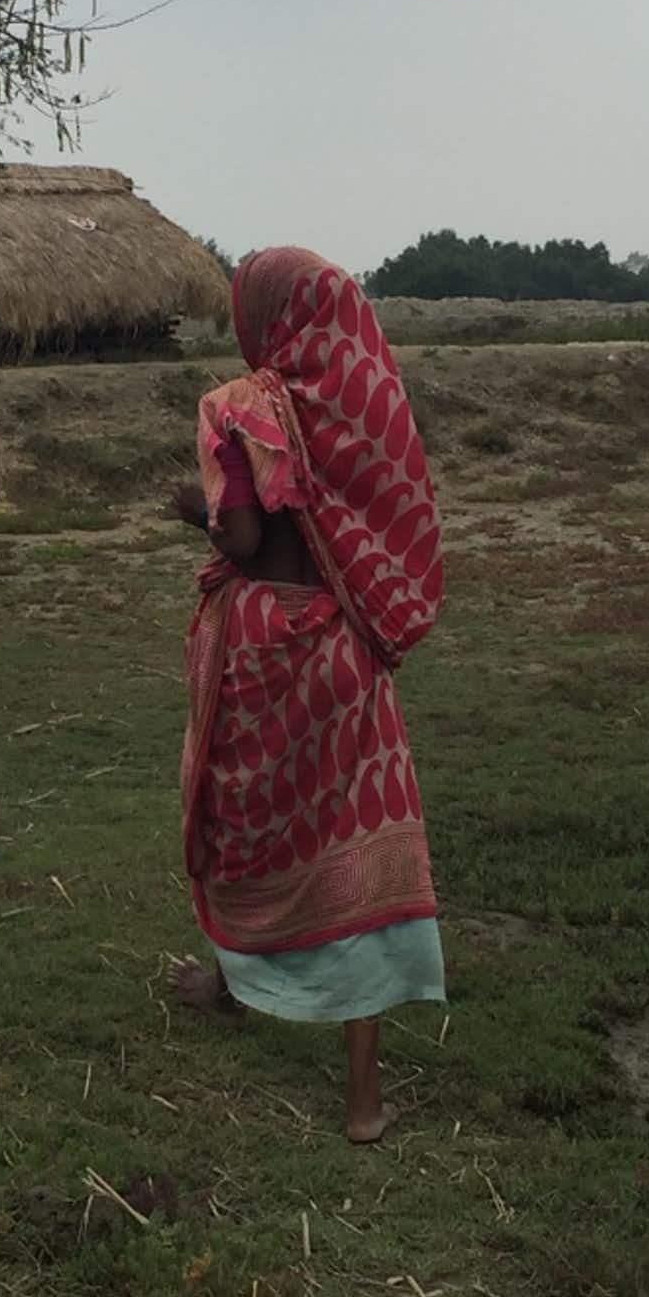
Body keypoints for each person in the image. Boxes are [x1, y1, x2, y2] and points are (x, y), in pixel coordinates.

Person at [171, 246, 446, 1143]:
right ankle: (363, 1101)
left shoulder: (242, 407)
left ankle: (230, 979)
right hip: (344, 642)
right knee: (349, 839)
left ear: (262, 317)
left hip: (263, 640)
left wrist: (198, 510)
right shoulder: (365, 398)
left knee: (244, 813)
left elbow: (247, 539)